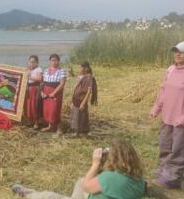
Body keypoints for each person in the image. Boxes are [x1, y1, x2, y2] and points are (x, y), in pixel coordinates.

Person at [12, 139, 146, 199]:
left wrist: (95, 163)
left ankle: (27, 193)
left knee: (50, 196)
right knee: (81, 180)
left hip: (92, 192)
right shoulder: (139, 179)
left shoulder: (109, 178)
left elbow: (87, 187)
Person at [150, 41, 184, 189]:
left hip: (180, 119)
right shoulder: (170, 70)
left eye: (181, 52)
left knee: (178, 149)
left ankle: (173, 177)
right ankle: (164, 170)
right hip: (166, 116)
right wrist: (156, 107)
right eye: (175, 51)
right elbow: (163, 91)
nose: (177, 54)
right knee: (165, 145)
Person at [70, 62, 97, 137]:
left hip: (81, 100)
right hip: (76, 99)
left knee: (81, 116)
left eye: (81, 68)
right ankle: (80, 131)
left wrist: (83, 103)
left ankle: (79, 132)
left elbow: (89, 91)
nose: (79, 69)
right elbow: (76, 87)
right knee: (76, 115)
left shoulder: (89, 78)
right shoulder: (82, 76)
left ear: (86, 68)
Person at [41, 54, 66, 132]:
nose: (54, 62)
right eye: (52, 60)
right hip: (46, 92)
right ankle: (50, 126)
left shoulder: (61, 71)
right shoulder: (46, 70)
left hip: (56, 92)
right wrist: (41, 92)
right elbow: (42, 83)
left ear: (58, 61)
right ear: (50, 61)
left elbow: (62, 84)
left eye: (56, 60)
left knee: (55, 110)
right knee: (48, 110)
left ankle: (59, 128)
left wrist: (54, 93)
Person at [24, 55, 43, 128]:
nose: (32, 63)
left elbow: (40, 79)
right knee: (28, 105)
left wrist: (30, 77)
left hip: (35, 89)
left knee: (35, 105)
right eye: (30, 62)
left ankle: (36, 122)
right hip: (28, 88)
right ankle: (30, 121)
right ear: (28, 62)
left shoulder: (39, 69)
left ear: (37, 63)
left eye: (34, 62)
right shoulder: (27, 69)